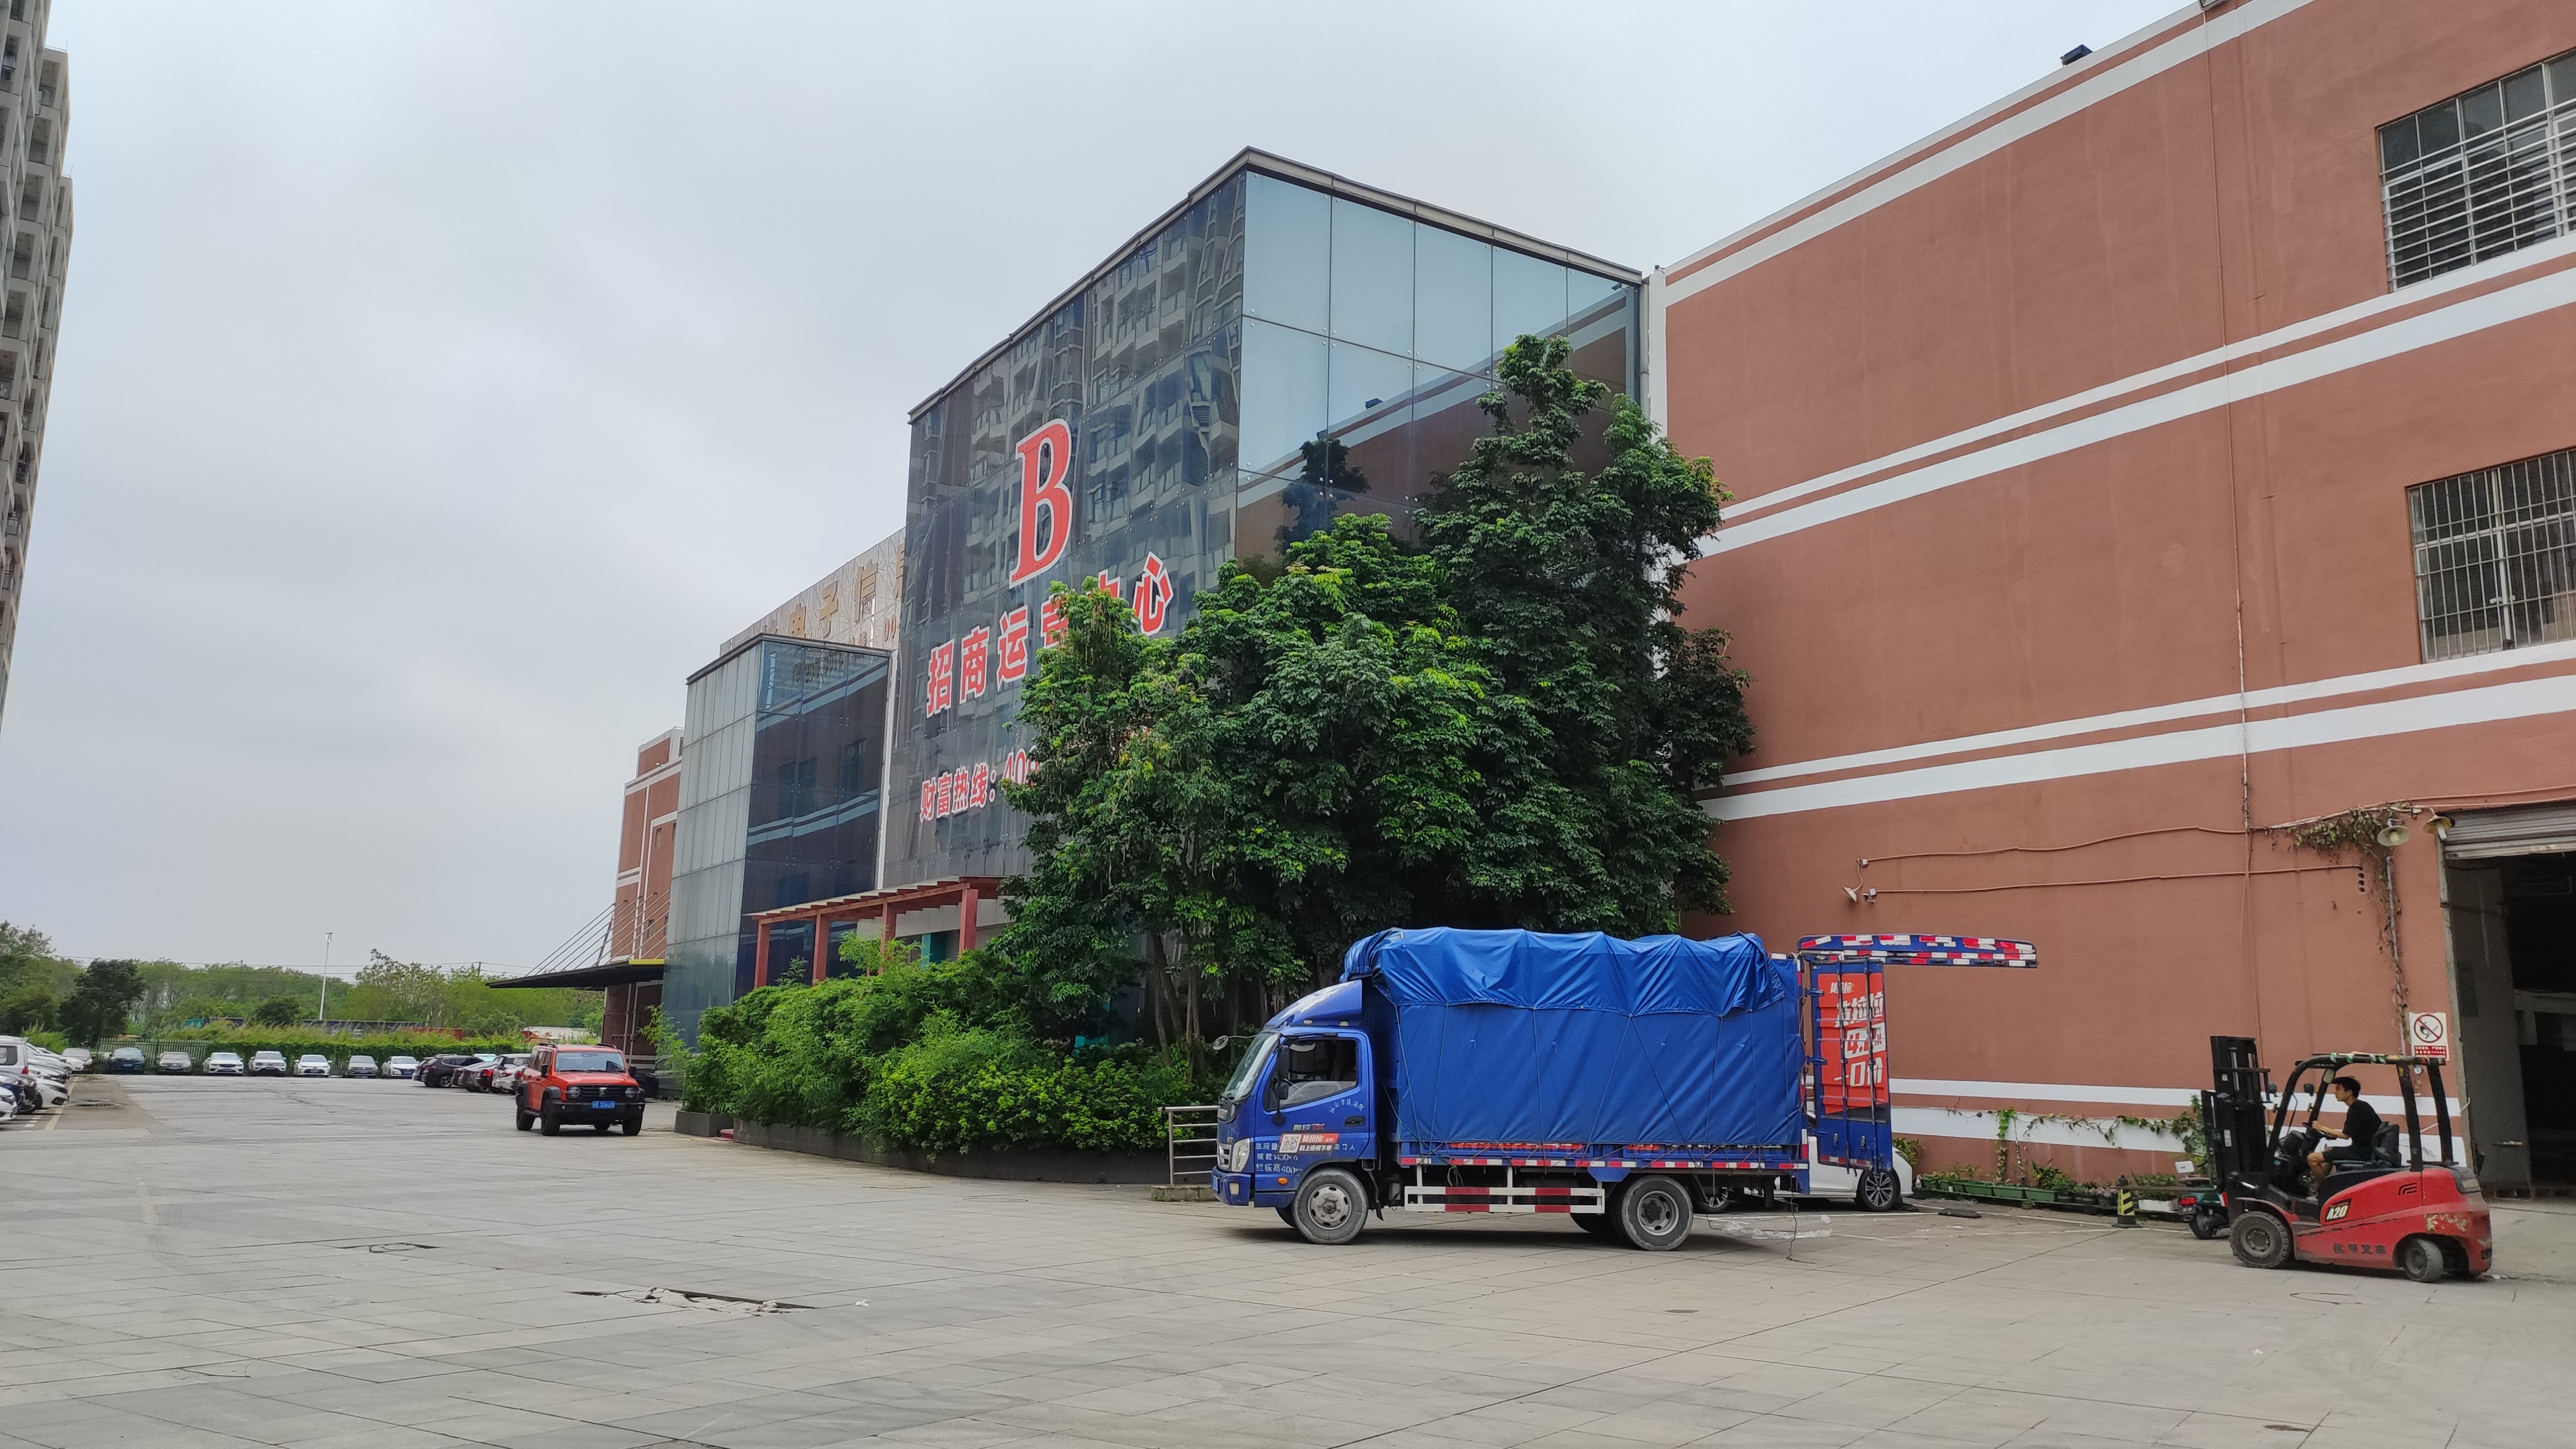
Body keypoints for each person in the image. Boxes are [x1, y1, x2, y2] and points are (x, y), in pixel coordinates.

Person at [2304, 1076, 2383, 1191]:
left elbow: (2345, 1136)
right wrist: (2329, 1133)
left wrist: (2321, 1127)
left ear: (2349, 1093)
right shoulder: (2360, 1106)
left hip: (2362, 1153)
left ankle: (2324, 1190)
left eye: (2338, 1089)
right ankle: (2323, 1184)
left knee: (2312, 1158)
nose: (2335, 1092)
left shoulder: (2356, 1109)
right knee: (2329, 1150)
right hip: (2364, 1149)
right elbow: (2352, 1131)